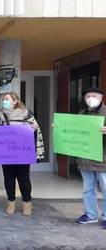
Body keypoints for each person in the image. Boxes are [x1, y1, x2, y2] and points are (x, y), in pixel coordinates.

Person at [0, 92, 44, 216]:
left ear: (16, 101)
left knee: (24, 179)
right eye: (4, 99)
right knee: (8, 179)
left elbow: (36, 130)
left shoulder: (27, 114)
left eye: (7, 99)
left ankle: (27, 202)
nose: (5, 101)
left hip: (22, 154)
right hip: (6, 154)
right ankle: (11, 202)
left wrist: (34, 129)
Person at [73, 87, 106, 229]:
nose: (90, 98)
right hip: (85, 157)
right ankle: (90, 214)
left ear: (101, 98)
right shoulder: (82, 113)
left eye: (94, 95)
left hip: (102, 159)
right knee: (88, 188)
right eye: (88, 96)